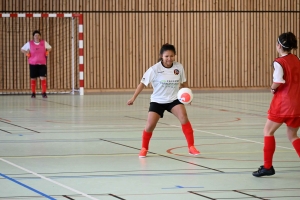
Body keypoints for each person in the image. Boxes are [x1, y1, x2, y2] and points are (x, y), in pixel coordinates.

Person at [127, 43, 200, 158]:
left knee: (184, 117)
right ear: (161, 56)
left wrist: (187, 95)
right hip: (158, 101)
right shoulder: (154, 69)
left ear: (175, 55)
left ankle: (191, 147)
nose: (169, 59)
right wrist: (133, 98)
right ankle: (144, 148)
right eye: (166, 56)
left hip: (173, 99)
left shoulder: (179, 67)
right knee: (150, 125)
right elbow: (142, 84)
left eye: (171, 56)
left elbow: (184, 82)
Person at [253, 32, 300, 177]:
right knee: (293, 135)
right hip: (297, 103)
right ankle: (267, 167)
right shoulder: (297, 59)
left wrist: (272, 88)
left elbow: (278, 81)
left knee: (268, 132)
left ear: (279, 45)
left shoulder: (279, 62)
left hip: (283, 104)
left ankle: (267, 167)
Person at [21, 30, 52, 98]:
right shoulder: (30, 43)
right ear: (33, 37)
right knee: (33, 78)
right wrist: (26, 53)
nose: (37, 36)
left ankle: (44, 93)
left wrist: (47, 51)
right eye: (35, 35)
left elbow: (50, 48)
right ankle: (33, 93)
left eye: (38, 35)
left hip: (42, 64)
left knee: (43, 78)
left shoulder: (44, 43)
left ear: (40, 36)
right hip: (33, 64)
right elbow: (22, 49)